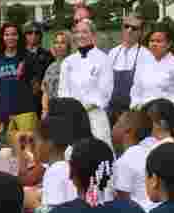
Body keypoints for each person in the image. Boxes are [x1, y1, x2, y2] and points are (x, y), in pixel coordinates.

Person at [113, 101, 174, 212]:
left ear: (127, 130)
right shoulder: (158, 146)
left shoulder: (126, 160)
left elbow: (121, 204)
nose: (113, 127)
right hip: (168, 211)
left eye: (117, 123)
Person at [60, 19, 114, 149]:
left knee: (100, 152)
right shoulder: (68, 62)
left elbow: (106, 91)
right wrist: (71, 109)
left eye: (85, 32)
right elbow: (63, 91)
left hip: (95, 116)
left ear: (93, 35)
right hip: (73, 118)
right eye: (77, 32)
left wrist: (87, 107)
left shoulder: (103, 59)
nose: (80, 35)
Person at [0, 22, 37, 133]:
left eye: (14, 34)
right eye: (7, 34)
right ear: (2, 37)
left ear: (19, 37)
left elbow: (35, 86)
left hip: (25, 112)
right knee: (7, 146)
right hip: (4, 112)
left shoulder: (27, 57)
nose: (10, 38)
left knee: (26, 146)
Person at [23, 114, 77, 213]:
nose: (31, 147)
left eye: (34, 141)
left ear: (49, 143)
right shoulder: (65, 166)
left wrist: (32, 203)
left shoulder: (55, 172)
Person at [130, 25, 174, 111]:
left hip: (169, 114)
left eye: (159, 41)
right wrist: (136, 104)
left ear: (168, 44)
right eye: (152, 41)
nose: (154, 44)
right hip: (142, 112)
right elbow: (136, 90)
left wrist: (172, 107)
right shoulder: (142, 64)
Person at [107, 13, 151, 125]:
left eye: (134, 28)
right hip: (110, 112)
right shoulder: (112, 53)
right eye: (126, 26)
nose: (129, 30)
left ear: (141, 32)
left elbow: (146, 87)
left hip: (133, 113)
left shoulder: (146, 55)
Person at [24, 21, 54, 118]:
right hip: (22, 102)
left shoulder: (48, 55)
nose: (33, 35)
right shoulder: (17, 55)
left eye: (37, 32)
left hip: (42, 102)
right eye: (29, 32)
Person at [41, 30, 71, 119]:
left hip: (68, 112)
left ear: (69, 46)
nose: (59, 46)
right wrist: (45, 110)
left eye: (62, 43)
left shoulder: (73, 64)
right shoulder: (51, 67)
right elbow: (45, 91)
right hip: (52, 113)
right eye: (56, 42)